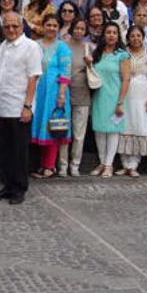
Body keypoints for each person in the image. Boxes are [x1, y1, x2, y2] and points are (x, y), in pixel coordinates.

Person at [0, 12, 41, 204]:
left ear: (22, 27)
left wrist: (27, 106)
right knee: (4, 151)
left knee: (19, 152)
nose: (11, 30)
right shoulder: (3, 46)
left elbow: (33, 77)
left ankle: (19, 188)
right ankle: (7, 185)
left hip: (19, 107)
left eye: (15, 26)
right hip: (0, 106)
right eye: (7, 27)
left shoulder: (31, 47)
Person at [30, 14, 71, 178]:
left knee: (52, 126)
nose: (52, 28)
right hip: (37, 91)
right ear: (43, 26)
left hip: (55, 91)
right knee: (39, 125)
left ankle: (49, 166)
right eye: (48, 25)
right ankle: (40, 164)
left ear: (58, 28)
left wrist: (61, 94)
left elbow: (65, 71)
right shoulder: (34, 45)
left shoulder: (62, 47)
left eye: (55, 25)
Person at [87, 22, 129, 178]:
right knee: (99, 129)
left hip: (115, 97)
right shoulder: (97, 53)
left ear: (118, 36)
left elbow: (126, 79)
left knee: (112, 131)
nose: (111, 35)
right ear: (103, 35)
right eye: (108, 32)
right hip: (99, 96)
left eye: (114, 32)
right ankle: (102, 162)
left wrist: (120, 101)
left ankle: (109, 165)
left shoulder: (122, 54)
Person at [116, 25, 147, 177]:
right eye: (132, 36)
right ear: (128, 38)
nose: (136, 38)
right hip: (125, 95)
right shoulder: (122, 54)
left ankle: (134, 164)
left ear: (143, 37)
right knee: (124, 126)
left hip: (143, 96)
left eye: (139, 35)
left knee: (140, 126)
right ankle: (124, 164)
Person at [59, 17, 91, 177]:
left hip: (83, 92)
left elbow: (96, 71)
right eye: (76, 28)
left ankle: (75, 164)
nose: (79, 31)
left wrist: (91, 63)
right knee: (64, 130)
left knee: (79, 133)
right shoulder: (63, 45)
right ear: (72, 28)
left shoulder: (89, 47)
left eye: (82, 29)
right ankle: (63, 165)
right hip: (64, 92)